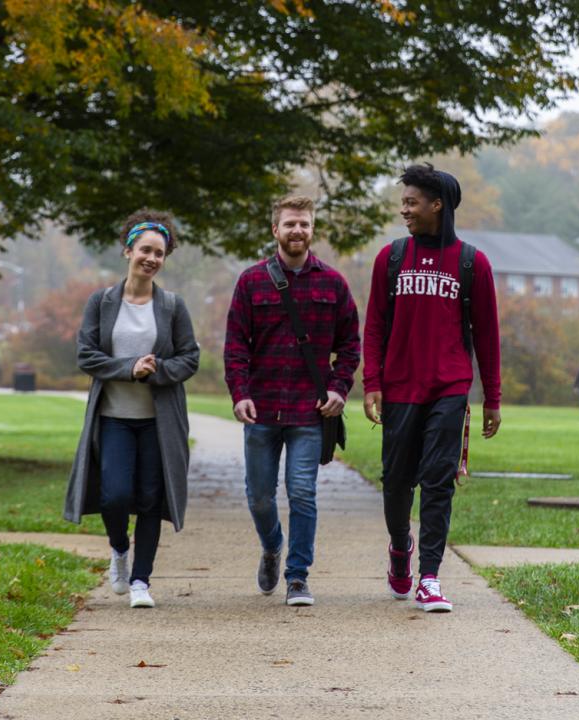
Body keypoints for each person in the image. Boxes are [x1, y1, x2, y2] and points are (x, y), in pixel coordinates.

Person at [362, 163, 502, 613]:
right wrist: (371, 383)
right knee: (397, 482)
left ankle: (429, 577)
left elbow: (487, 335)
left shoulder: (471, 263)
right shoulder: (392, 257)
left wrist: (492, 398)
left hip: (449, 386)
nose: (404, 209)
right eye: (403, 202)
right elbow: (375, 325)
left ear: (436, 205)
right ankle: (400, 546)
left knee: (438, 481)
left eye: (411, 202)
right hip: (400, 387)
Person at [224, 194, 360, 607]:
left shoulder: (333, 284)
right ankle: (272, 546)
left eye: (304, 224)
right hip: (261, 409)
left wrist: (338, 388)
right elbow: (235, 347)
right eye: (289, 224)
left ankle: (298, 576)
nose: (297, 231)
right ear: (275, 230)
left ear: (312, 229)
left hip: (309, 411)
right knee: (260, 497)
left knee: (302, 492)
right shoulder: (251, 282)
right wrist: (240, 394)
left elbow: (350, 346)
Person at [64, 210, 199, 609]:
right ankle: (119, 549)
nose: (152, 258)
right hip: (113, 418)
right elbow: (86, 356)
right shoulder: (102, 302)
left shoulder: (172, 306)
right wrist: (129, 369)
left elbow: (190, 358)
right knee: (115, 496)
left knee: (151, 499)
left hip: (159, 422)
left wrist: (155, 372)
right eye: (145, 250)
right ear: (128, 251)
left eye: (159, 253)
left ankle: (141, 580)